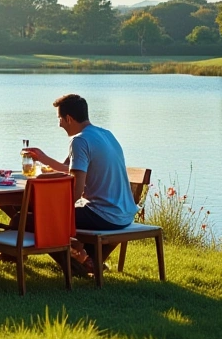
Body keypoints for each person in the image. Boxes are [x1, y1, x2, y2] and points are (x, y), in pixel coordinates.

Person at [23, 93, 139, 273]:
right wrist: (44, 158)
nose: (59, 124)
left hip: (104, 215)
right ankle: (86, 258)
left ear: (69, 118)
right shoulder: (105, 134)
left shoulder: (79, 140)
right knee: (39, 215)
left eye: (59, 119)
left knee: (25, 219)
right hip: (125, 214)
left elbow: (76, 192)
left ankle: (74, 265)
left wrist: (50, 208)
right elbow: (73, 169)